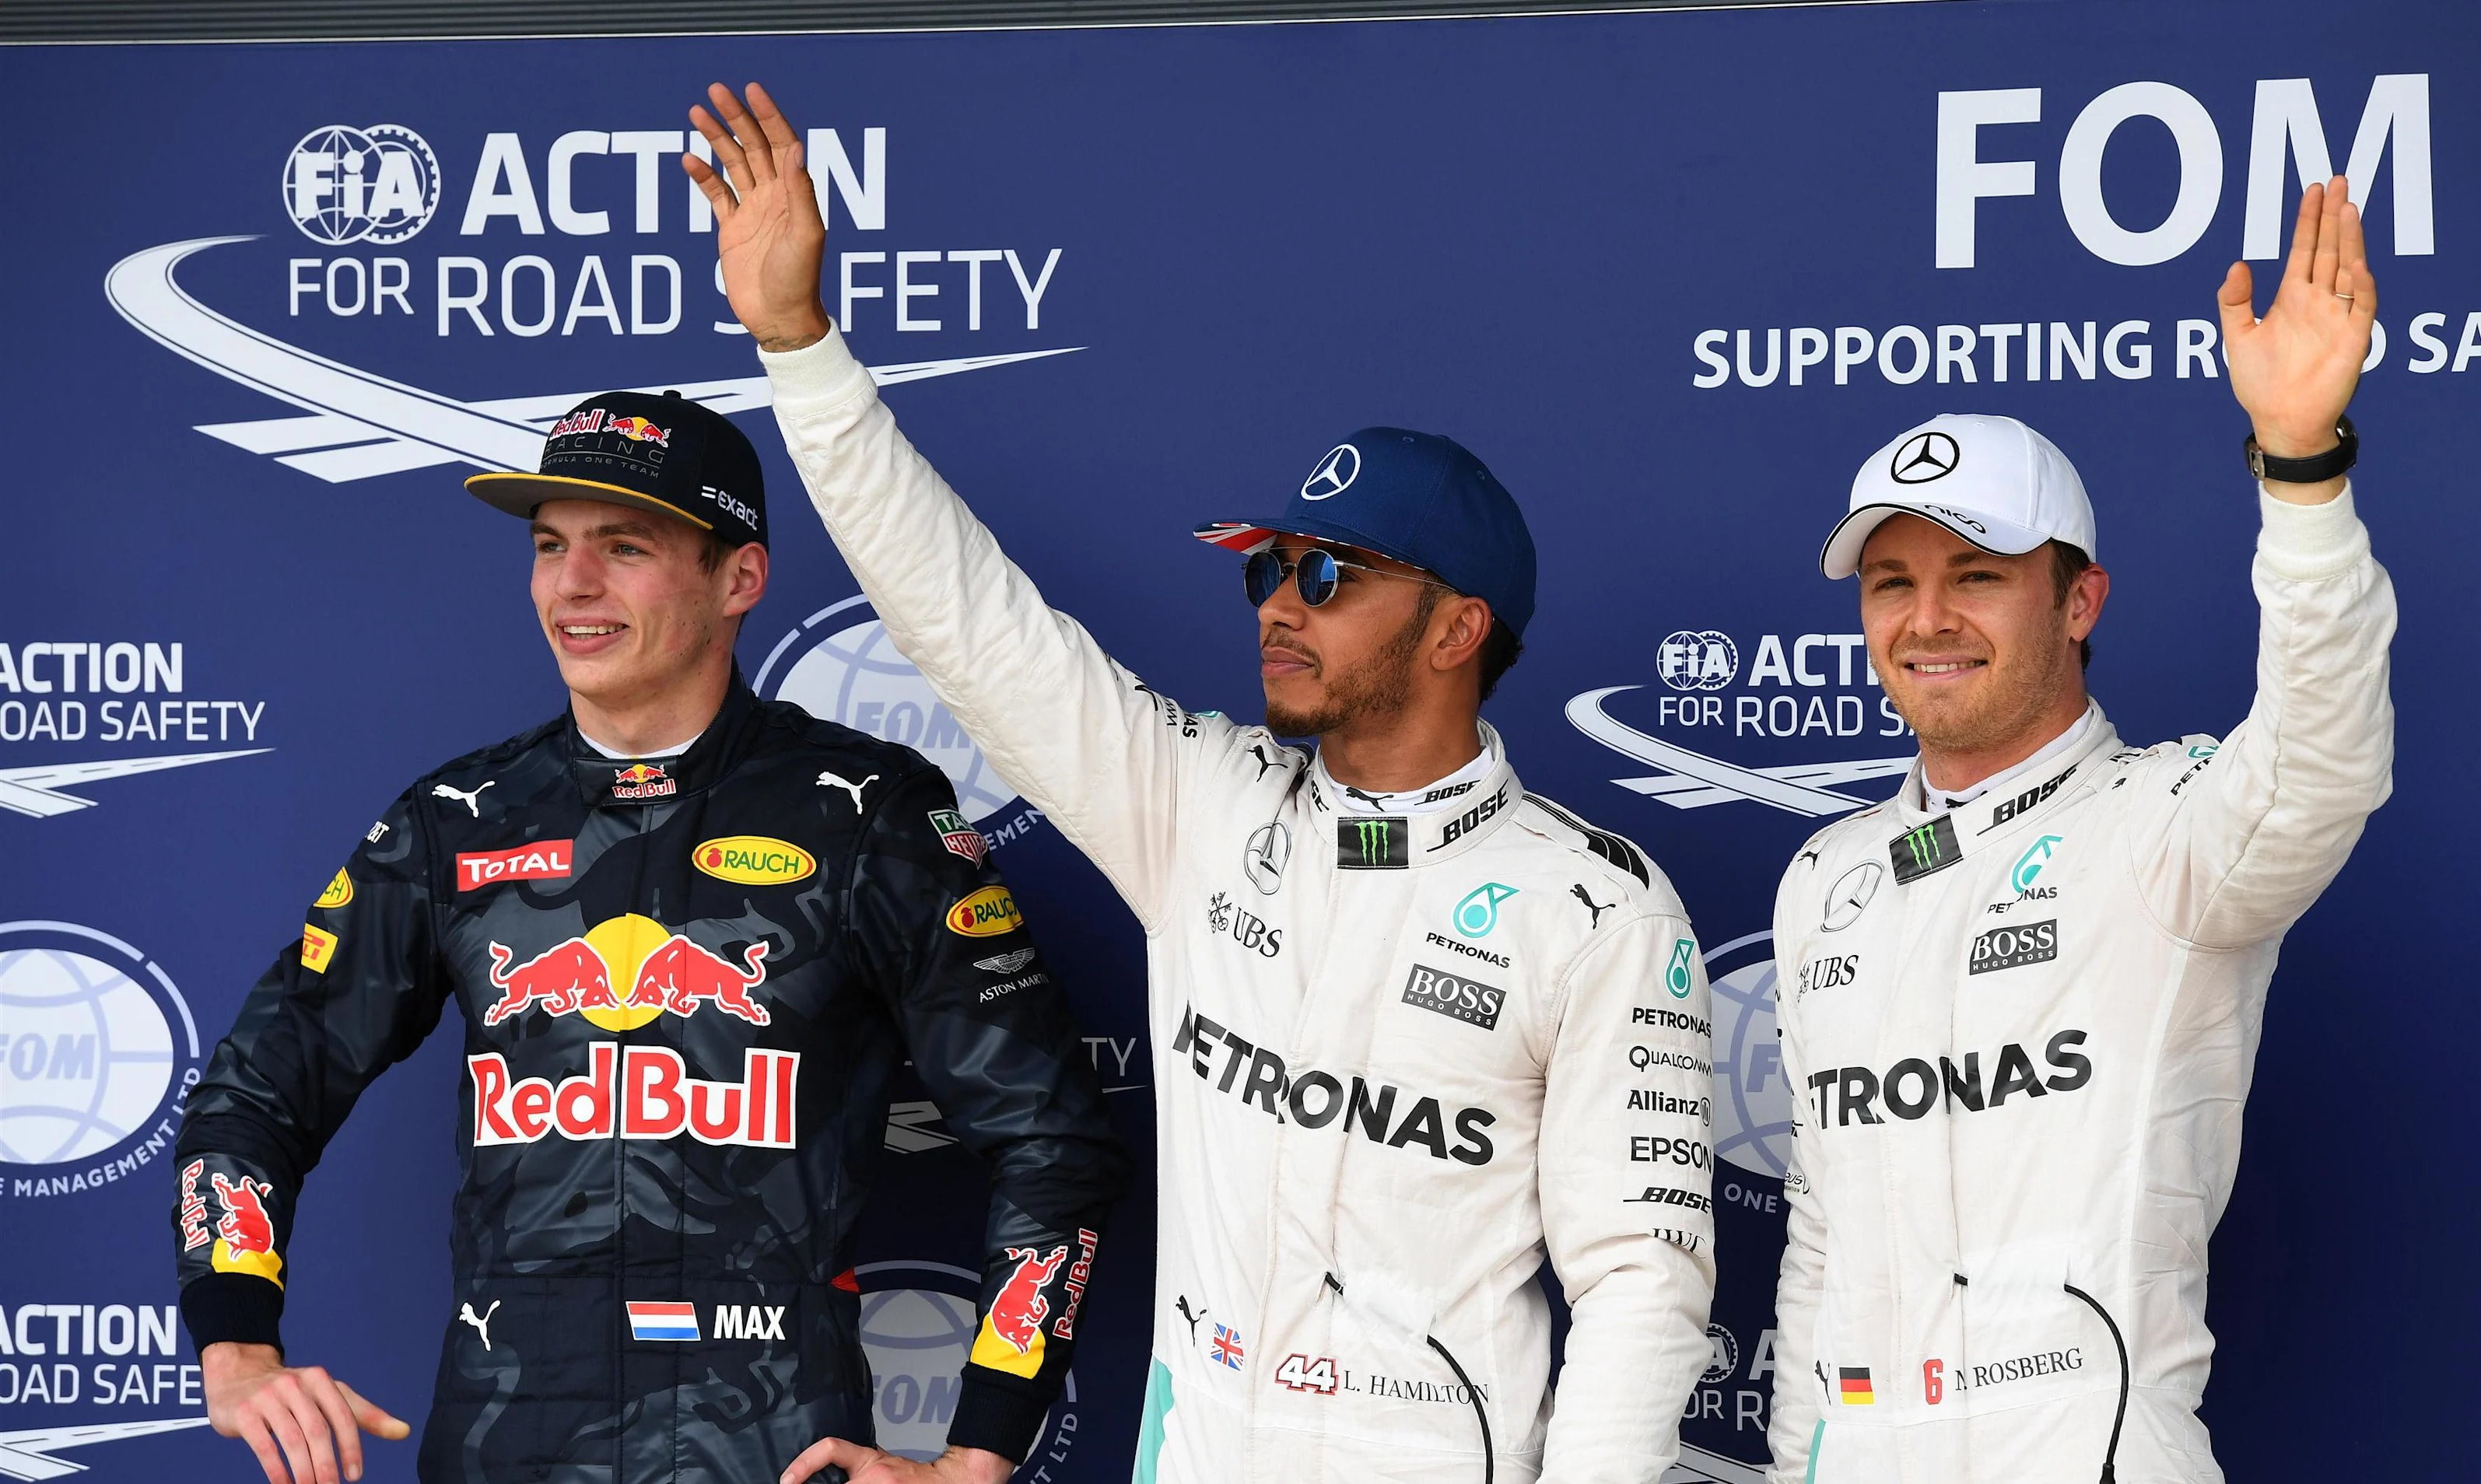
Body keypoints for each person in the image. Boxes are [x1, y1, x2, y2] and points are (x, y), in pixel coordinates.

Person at [683, 81, 1716, 1484]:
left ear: (1457, 630)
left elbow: (1643, 1291)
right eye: (1267, 570)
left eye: (1330, 574)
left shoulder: (1595, 908)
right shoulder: (1202, 808)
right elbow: (967, 621)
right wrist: (799, 346)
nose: (1280, 603)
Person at [172, 388, 1131, 1484]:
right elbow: (254, 1089)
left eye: (623, 547)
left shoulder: (866, 813)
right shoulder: (457, 820)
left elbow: (1052, 1141)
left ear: (739, 579)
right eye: (550, 546)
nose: (572, 585)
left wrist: (984, 1447)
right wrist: (235, 1340)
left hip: (771, 1449)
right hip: (504, 1446)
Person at [1763, 179, 2395, 1482]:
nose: (1926, 621)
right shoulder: (1826, 875)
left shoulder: (2164, 828)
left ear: (2079, 601)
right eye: (1891, 583)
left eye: (1978, 577)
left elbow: (2323, 763)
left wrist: (2301, 470)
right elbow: (1821, 1238)